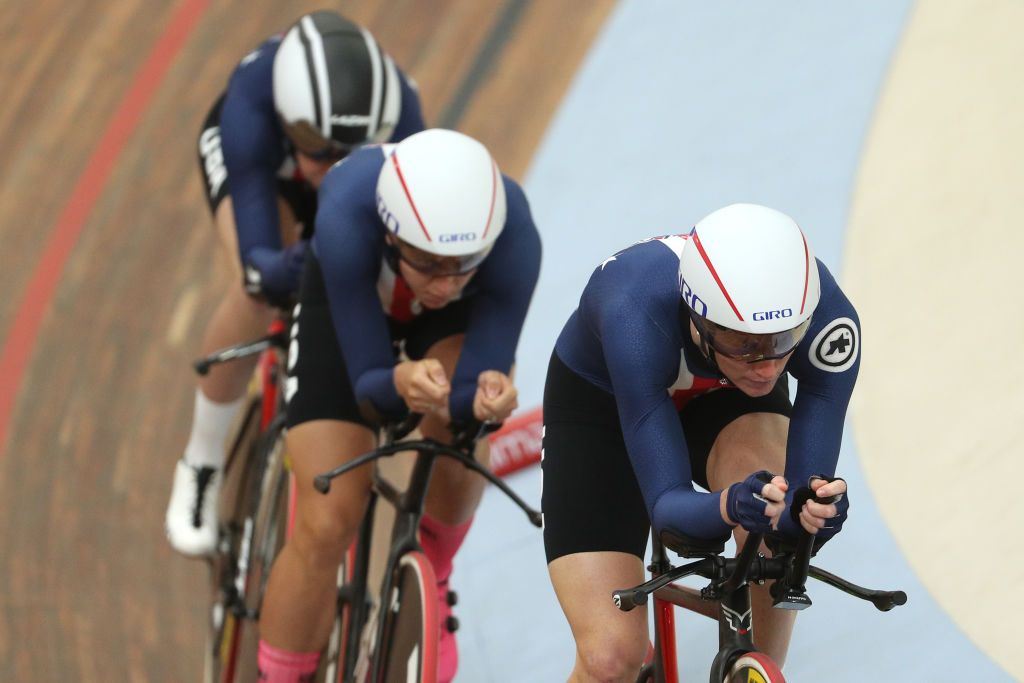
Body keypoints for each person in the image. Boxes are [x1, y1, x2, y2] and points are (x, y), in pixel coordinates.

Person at [256, 128, 542, 682]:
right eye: (428, 263)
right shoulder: (346, 212)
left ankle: (431, 575)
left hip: (444, 331)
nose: (445, 280)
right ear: (391, 236)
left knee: (464, 436)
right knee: (329, 515)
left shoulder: (514, 239)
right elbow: (367, 388)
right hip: (350, 311)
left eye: (463, 263)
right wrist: (398, 382)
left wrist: (485, 401)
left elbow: (471, 390)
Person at [541, 203, 859, 681]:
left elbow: (801, 496)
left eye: (782, 339)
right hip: (604, 404)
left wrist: (806, 511)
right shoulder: (634, 312)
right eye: (746, 342)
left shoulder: (828, 317)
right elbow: (670, 514)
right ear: (698, 319)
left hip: (723, 396)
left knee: (774, 530)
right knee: (610, 659)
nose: (769, 366)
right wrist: (730, 505)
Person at [165, 10, 425, 556]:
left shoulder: (401, 113)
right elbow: (264, 263)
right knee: (259, 289)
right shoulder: (252, 108)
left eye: (345, 151)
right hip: (264, 175)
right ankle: (202, 461)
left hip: (362, 177)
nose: (332, 166)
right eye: (320, 149)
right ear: (290, 123)